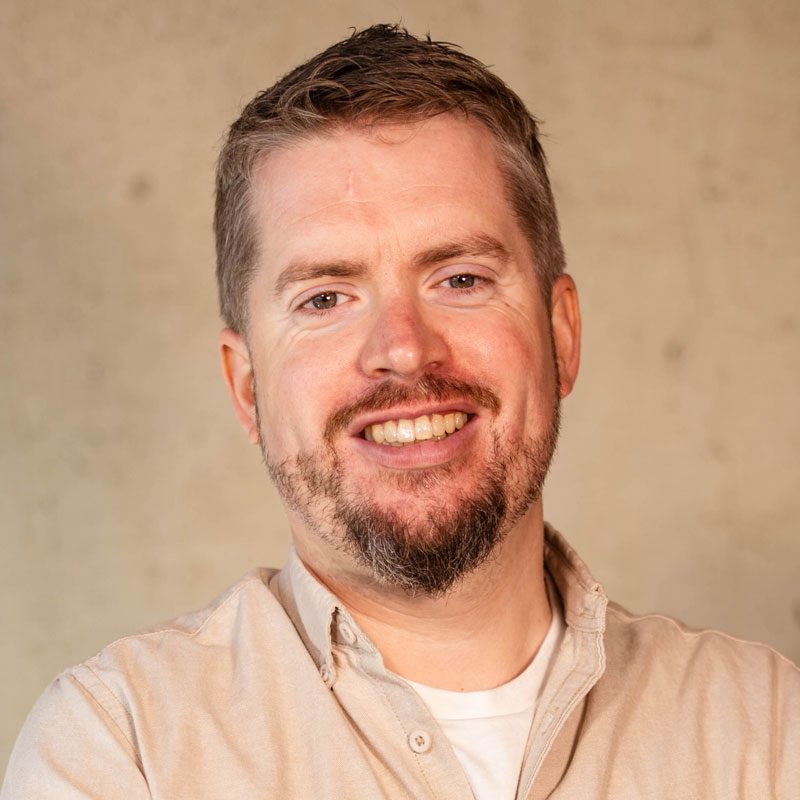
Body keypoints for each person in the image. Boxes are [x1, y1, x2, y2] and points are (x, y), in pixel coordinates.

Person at [2, 23, 798, 800]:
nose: (405, 350)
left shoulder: (766, 730)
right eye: (325, 298)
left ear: (561, 335)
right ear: (246, 387)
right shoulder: (121, 752)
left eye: (461, 279)